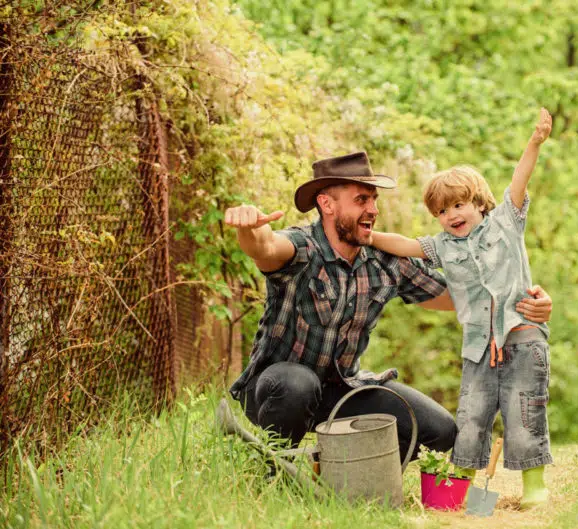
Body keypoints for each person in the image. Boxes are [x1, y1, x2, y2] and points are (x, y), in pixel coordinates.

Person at [224, 151, 553, 465]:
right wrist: (249, 228)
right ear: (326, 204)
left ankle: (340, 473)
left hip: (343, 390)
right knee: (297, 383)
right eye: (361, 200)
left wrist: (527, 304)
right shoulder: (302, 247)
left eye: (373, 199)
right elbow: (265, 247)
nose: (372, 209)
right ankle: (272, 470)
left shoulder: (385, 262)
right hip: (278, 390)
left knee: (441, 432)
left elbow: (465, 296)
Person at [369, 108, 554, 508]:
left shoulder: (506, 222)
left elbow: (519, 181)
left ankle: (534, 487)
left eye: (458, 205)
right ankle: (464, 494)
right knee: (471, 418)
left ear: (479, 203)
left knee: (524, 413)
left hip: (521, 337)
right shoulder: (442, 247)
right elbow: (405, 245)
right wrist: (368, 235)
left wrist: (534, 142)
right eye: (441, 211)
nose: (451, 215)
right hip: (477, 348)